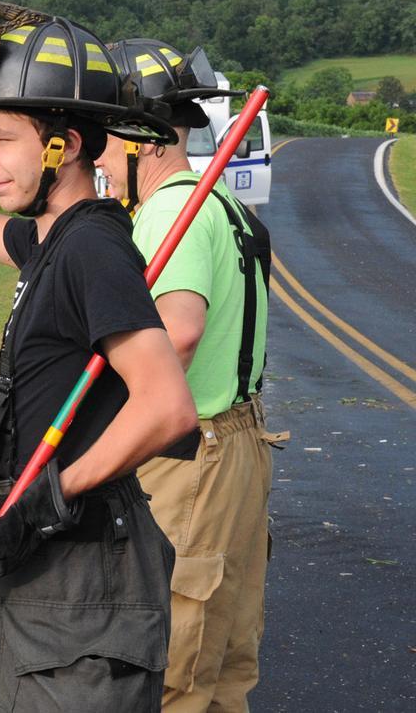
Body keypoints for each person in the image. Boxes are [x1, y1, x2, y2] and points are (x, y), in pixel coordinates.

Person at [0, 0, 199, 711]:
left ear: (60, 146)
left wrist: (46, 499)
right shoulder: (49, 242)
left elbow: (167, 408)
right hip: (44, 565)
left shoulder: (92, 249)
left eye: (1, 139)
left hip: (85, 573)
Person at [97, 39, 287, 712]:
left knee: (174, 660)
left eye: (104, 136)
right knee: (225, 656)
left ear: (143, 141)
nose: (95, 154)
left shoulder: (170, 212)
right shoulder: (224, 206)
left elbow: (177, 337)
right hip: (239, 445)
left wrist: (100, 452)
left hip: (191, 457)